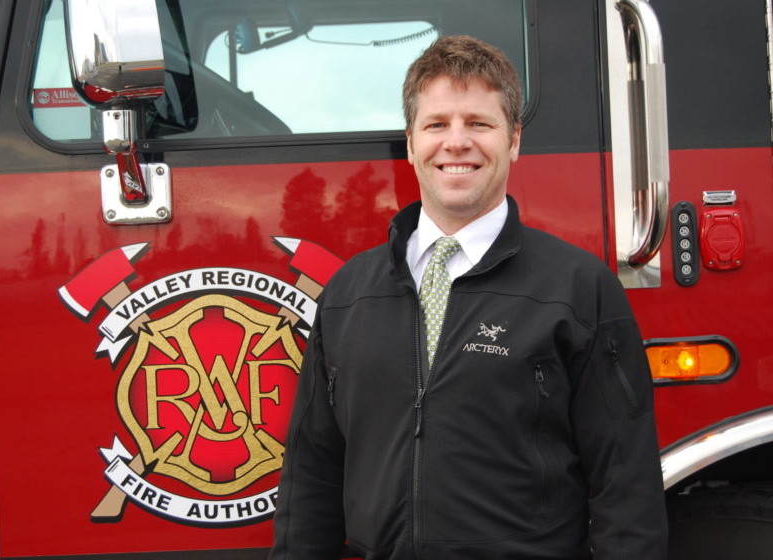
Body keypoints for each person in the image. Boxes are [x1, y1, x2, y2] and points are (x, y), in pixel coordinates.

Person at [269, 35, 668, 560]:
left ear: (514, 140)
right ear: (411, 143)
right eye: (437, 124)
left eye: (479, 123)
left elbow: (626, 480)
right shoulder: (349, 293)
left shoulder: (578, 288)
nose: (456, 143)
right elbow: (312, 469)